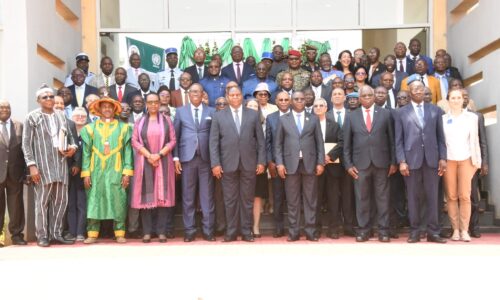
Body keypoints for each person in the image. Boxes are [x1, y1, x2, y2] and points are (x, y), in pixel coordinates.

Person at [22, 85, 78, 247]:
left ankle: (56, 233)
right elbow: (26, 144)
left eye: (51, 96)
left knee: (61, 201)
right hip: (42, 166)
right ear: (38, 100)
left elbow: (72, 139)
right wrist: (32, 166)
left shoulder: (61, 116)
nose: (49, 99)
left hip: (61, 166)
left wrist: (72, 148)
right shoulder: (32, 117)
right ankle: (42, 235)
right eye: (44, 97)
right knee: (42, 202)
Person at [209, 86, 266, 242]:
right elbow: (213, 143)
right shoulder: (218, 116)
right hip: (227, 164)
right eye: (232, 95)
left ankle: (247, 232)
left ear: (242, 96)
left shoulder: (253, 115)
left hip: (249, 163)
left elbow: (260, 141)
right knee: (230, 200)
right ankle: (231, 231)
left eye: (238, 94)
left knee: (247, 199)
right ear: (227, 97)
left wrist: (261, 161)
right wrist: (215, 164)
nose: (235, 97)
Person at [395, 77, 447, 243]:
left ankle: (433, 232)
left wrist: (443, 158)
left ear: (425, 90)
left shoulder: (435, 111)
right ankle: (415, 231)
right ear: (410, 93)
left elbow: (441, 137)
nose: (418, 91)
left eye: (420, 88)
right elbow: (399, 140)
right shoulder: (401, 113)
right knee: (413, 197)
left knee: (433, 197)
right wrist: (401, 160)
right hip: (411, 161)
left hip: (432, 160)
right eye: (414, 89)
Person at [343, 85, 397, 242]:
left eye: (369, 95)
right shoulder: (352, 116)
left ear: (374, 96)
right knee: (362, 198)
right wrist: (348, 165)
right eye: (364, 96)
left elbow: (391, 140)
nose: (367, 98)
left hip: (382, 163)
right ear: (359, 99)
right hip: (360, 164)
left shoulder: (386, 114)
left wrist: (393, 162)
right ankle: (364, 230)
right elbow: (347, 144)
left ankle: (383, 231)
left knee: (382, 198)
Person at [80, 97, 133, 244]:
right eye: (104, 107)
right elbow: (86, 152)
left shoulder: (124, 128)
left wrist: (127, 172)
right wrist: (86, 173)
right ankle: (92, 233)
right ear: (99, 110)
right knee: (94, 199)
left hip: (116, 169)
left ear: (115, 109)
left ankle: (120, 233)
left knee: (119, 199)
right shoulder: (90, 129)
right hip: (95, 170)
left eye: (110, 107)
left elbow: (127, 152)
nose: (107, 109)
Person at [275, 91, 325, 241]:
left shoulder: (313, 119)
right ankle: (294, 232)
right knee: (292, 200)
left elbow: (319, 143)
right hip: (290, 165)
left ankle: (310, 232)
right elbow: (278, 144)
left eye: (302, 99)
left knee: (311, 200)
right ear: (291, 101)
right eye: (296, 99)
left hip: (309, 164)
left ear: (306, 101)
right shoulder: (283, 119)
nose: (299, 101)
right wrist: (279, 164)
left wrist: (320, 162)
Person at [131, 93, 176, 243]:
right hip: (145, 163)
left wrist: (158, 155)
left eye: (156, 102)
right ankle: (147, 232)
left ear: (159, 103)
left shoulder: (166, 120)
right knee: (146, 196)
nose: (153, 105)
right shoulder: (140, 121)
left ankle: (161, 231)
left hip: (163, 162)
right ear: (146, 103)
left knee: (162, 197)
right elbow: (135, 141)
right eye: (150, 102)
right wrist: (149, 156)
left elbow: (172, 141)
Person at [173, 84, 216, 242]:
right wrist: (176, 158)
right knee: (188, 197)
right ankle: (189, 231)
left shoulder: (211, 111)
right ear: (189, 94)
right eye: (192, 92)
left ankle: (208, 230)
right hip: (187, 159)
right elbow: (175, 137)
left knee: (207, 197)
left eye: (198, 91)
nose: (195, 94)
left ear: (203, 94)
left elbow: (215, 136)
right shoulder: (180, 111)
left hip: (206, 160)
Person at [442, 89, 481, 242]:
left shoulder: (472, 118)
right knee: (451, 196)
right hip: (449, 160)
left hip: (466, 160)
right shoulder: (443, 119)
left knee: (465, 196)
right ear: (448, 100)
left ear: (463, 100)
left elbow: (475, 140)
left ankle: (465, 230)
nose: (456, 100)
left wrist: (477, 162)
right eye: (453, 98)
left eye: (459, 97)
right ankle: (455, 230)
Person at [313, 98, 343, 239]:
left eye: (321, 105)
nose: (318, 108)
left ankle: (333, 229)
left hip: (332, 167)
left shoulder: (335, 125)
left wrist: (329, 156)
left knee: (333, 200)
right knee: (316, 200)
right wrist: (319, 159)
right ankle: (316, 229)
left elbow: (341, 143)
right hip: (315, 167)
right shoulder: (309, 125)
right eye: (316, 106)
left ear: (326, 108)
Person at [0, 100, 27, 246]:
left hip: (15, 173)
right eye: (2, 107)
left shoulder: (19, 126)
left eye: (7, 107)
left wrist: (26, 171)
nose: (5, 109)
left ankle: (17, 235)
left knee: (16, 206)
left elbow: (25, 149)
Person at [265, 91, 290, 238]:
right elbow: (268, 142)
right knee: (278, 197)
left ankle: (295, 226)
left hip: (294, 164)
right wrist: (270, 162)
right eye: (281, 99)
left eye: (286, 99)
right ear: (276, 101)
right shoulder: (271, 118)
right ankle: (279, 227)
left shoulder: (296, 116)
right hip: (276, 163)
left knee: (294, 198)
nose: (284, 102)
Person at [464, 92, 488, 238]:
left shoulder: (476, 116)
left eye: (466, 96)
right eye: (460, 96)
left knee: (473, 197)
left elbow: (483, 141)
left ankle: (474, 227)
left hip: (472, 162)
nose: (464, 98)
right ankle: (461, 227)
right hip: (454, 161)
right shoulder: (447, 117)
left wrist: (484, 162)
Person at [245, 99, 268, 238]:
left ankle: (256, 226)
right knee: (245, 196)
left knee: (257, 196)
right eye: (250, 106)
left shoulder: (265, 122)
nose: (253, 108)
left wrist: (262, 162)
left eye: (255, 106)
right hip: (244, 163)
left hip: (259, 163)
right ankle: (245, 225)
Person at [66, 107, 87, 242]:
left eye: (83, 116)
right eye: (76, 116)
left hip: (85, 173)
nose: (80, 118)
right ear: (72, 118)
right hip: (69, 172)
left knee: (82, 204)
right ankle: (72, 232)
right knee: (70, 203)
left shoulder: (89, 132)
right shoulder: (68, 132)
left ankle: (80, 232)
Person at [213, 96, 228, 235]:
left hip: (231, 163)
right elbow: (213, 143)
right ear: (215, 105)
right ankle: (221, 225)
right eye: (219, 103)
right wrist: (215, 163)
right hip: (215, 163)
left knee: (231, 197)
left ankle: (232, 225)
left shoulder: (230, 117)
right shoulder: (213, 117)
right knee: (218, 197)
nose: (222, 105)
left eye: (224, 103)